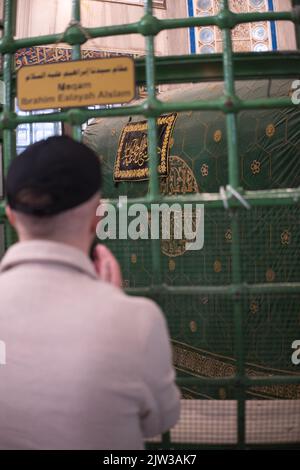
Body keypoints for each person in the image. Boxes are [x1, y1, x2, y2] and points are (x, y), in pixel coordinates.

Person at [0, 136, 180, 450]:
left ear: (11, 215)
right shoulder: (136, 320)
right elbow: (160, 421)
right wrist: (116, 308)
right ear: (98, 216)